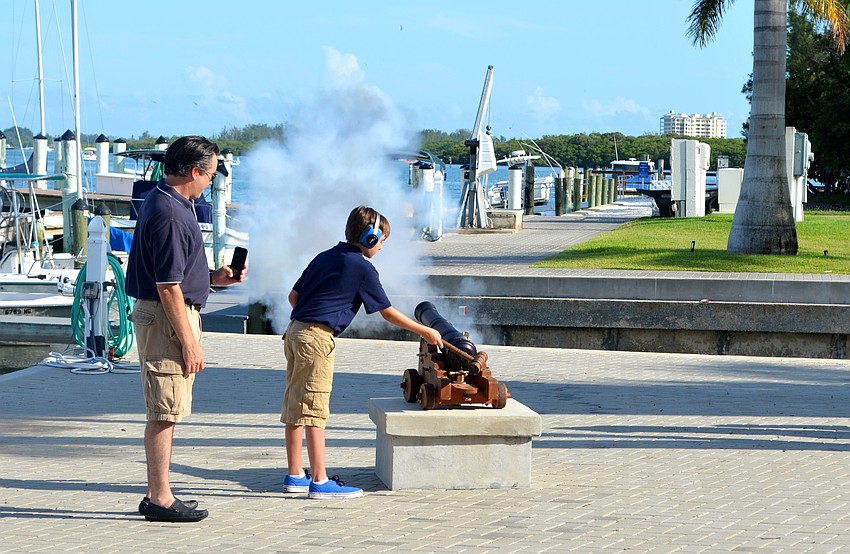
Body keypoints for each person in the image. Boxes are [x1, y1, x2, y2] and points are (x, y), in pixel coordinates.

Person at [282, 205, 443, 499]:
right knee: (315, 409)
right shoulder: (362, 267)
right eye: (381, 241)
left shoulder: (325, 256)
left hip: (294, 332)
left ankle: (295, 475)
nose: (382, 247)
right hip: (317, 338)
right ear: (370, 238)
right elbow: (387, 313)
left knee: (295, 405)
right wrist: (426, 331)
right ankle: (319, 481)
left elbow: (294, 297)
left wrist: (309, 318)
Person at [126, 135, 246, 522]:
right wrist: (191, 342)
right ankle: (159, 497)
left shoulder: (166, 202)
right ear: (194, 171)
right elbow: (167, 287)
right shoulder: (172, 213)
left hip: (165, 314)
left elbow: (175, 276)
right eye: (210, 175)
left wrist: (214, 278)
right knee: (164, 408)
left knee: (168, 407)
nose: (211, 182)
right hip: (166, 319)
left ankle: (158, 492)